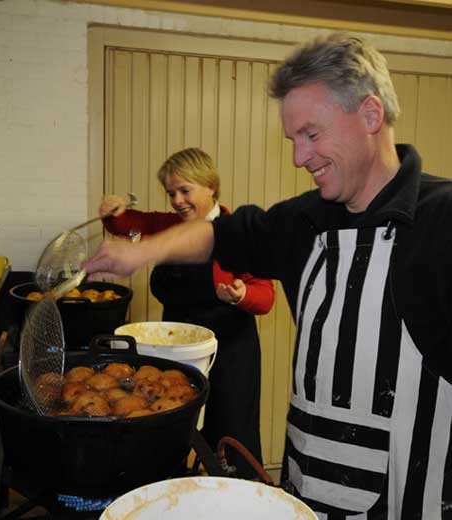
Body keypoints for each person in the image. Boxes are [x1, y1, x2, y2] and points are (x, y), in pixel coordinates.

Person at [85, 33, 452, 518]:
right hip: (307, 485)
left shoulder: (442, 219)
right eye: (293, 140)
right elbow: (216, 235)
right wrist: (142, 251)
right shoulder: (305, 220)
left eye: (312, 135)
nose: (300, 158)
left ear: (370, 115)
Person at [98, 147, 275, 479]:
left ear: (210, 186)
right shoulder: (168, 225)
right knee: (176, 437)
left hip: (230, 356)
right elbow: (127, 224)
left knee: (231, 439)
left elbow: (266, 297)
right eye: (171, 193)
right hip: (178, 354)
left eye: (185, 191)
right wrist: (112, 210)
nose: (177, 201)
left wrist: (241, 295)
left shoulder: (238, 232)